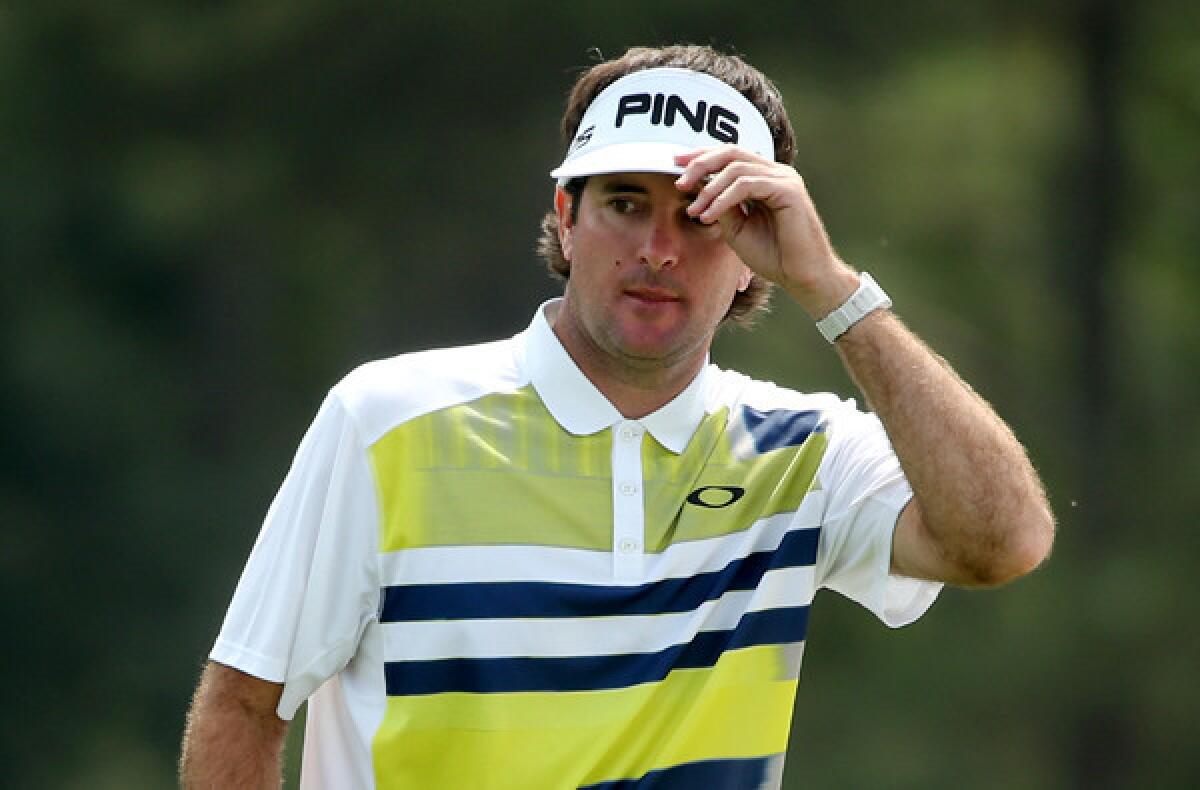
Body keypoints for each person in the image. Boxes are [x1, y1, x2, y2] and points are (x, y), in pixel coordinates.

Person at [180, 44, 1054, 789]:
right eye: (624, 203)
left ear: (756, 261)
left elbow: (1002, 539)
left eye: (701, 217)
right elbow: (246, 700)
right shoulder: (386, 419)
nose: (657, 248)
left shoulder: (804, 453)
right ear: (566, 220)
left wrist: (832, 288)